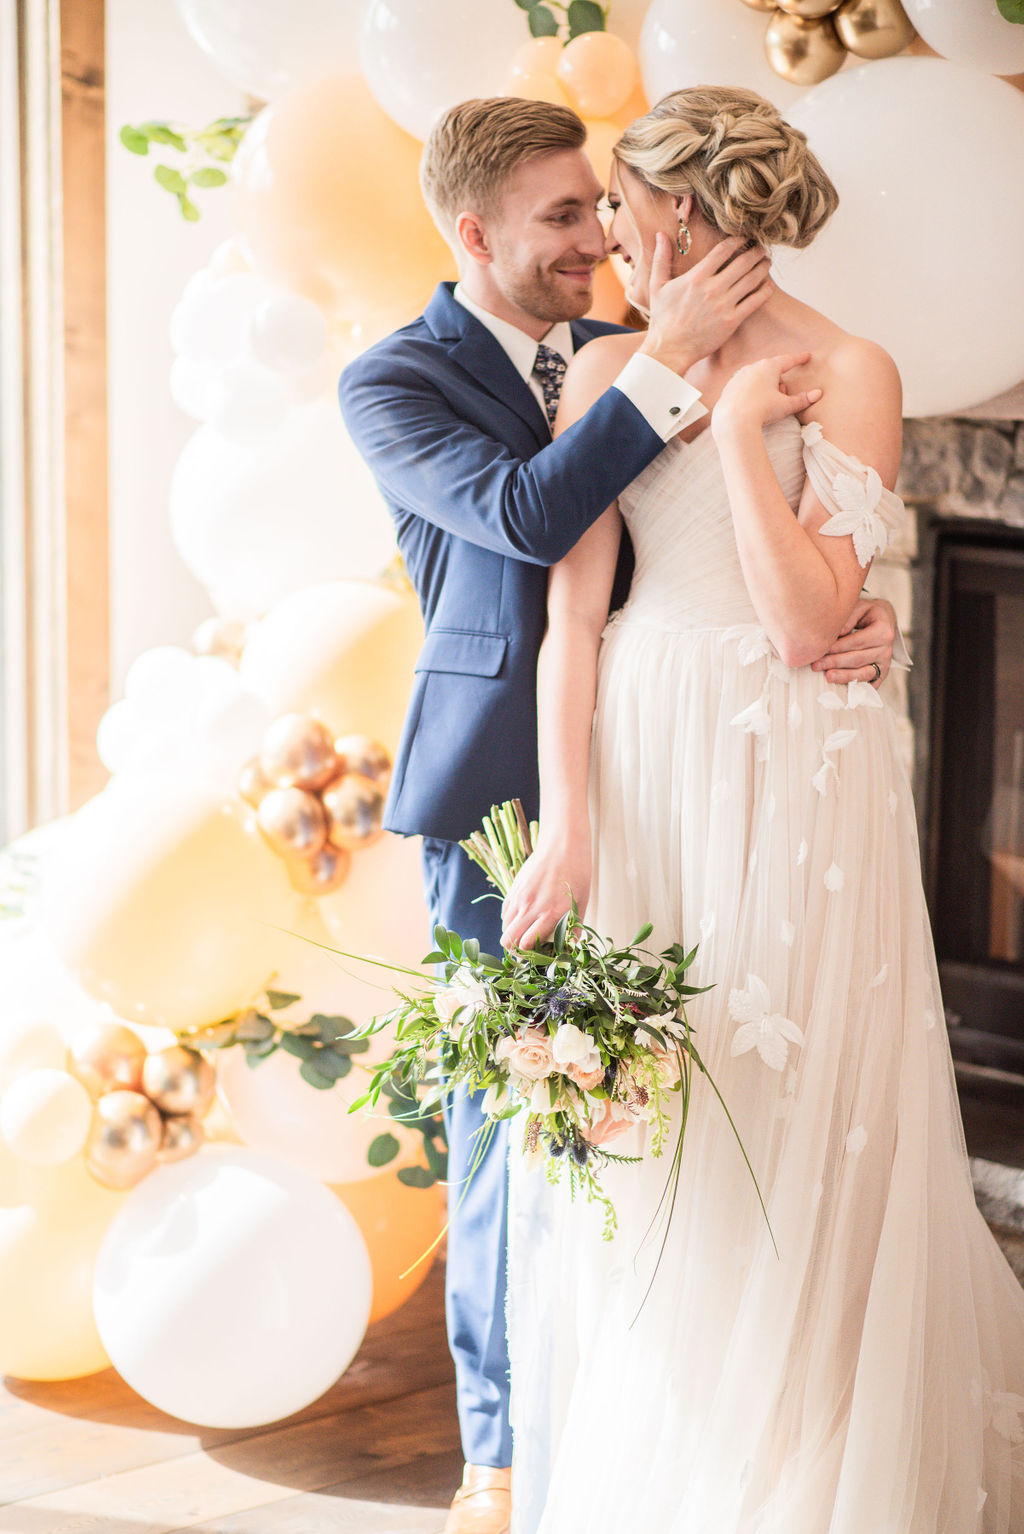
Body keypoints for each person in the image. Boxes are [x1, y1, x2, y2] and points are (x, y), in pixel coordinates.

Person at [340, 95, 898, 1534]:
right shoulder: (396, 379)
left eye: (604, 207)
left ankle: (724, 1418)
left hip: (693, 755)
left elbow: (756, 565)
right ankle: (504, 1457)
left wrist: (865, 606)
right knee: (510, 1126)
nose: (598, 236)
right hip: (507, 790)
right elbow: (535, 521)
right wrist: (676, 366)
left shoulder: (637, 349)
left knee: (701, 1114)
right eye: (565, 217)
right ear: (475, 233)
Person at [500, 86, 1024, 1534]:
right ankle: (683, 1448)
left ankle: (803, 1457)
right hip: (649, 752)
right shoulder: (605, 362)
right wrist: (568, 825)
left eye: (620, 203)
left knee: (798, 1098)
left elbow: (807, 624)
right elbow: (574, 625)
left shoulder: (850, 368)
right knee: (669, 1112)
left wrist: (736, 434)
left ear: (679, 209)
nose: (608, 228)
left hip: (801, 763)